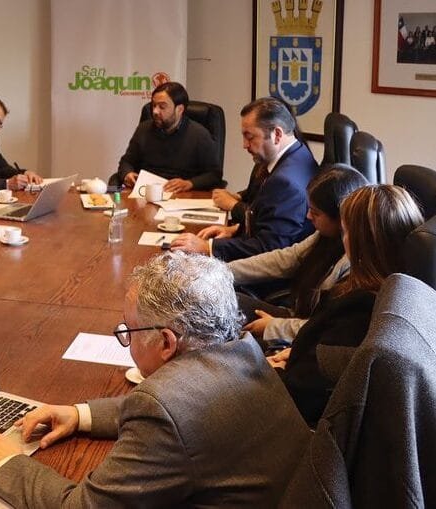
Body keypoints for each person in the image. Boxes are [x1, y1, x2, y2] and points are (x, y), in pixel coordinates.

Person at [0, 252, 310, 508]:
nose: (126, 339)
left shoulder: (164, 407)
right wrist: (79, 414)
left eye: (130, 330)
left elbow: (83, 507)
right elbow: (181, 414)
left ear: (166, 342)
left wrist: (7, 463)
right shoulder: (244, 354)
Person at [268, 184, 424, 425]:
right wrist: (296, 356)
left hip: (293, 417)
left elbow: (304, 393)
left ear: (364, 243)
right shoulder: (398, 296)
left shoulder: (359, 309)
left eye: (345, 231)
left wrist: (269, 371)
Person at [231, 164, 369, 344]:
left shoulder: (352, 265)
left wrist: (274, 326)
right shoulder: (326, 236)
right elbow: (285, 259)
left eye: (315, 213)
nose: (309, 217)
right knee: (224, 298)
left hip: (303, 336)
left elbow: (327, 329)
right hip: (296, 320)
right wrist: (221, 272)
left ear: (340, 218)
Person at [171, 97, 318, 261]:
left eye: (250, 137)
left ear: (277, 134)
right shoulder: (299, 154)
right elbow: (267, 221)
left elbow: (268, 249)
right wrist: (234, 230)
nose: (244, 145)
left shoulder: (285, 182)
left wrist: (208, 247)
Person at [114, 82, 222, 193]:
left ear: (179, 109)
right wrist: (127, 173)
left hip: (182, 195)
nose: (155, 111)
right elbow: (127, 161)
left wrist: (189, 183)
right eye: (154, 105)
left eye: (162, 107)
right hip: (145, 193)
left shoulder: (199, 135)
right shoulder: (144, 129)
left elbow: (214, 174)